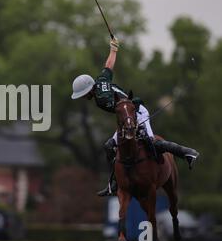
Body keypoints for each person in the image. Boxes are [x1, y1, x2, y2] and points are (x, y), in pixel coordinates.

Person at [71, 37, 200, 197]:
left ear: (88, 90)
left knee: (150, 142)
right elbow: (108, 66)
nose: (83, 97)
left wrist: (133, 124)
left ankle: (186, 152)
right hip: (127, 116)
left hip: (137, 113)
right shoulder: (101, 80)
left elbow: (122, 107)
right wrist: (114, 49)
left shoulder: (102, 100)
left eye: (83, 94)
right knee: (109, 146)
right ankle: (114, 183)